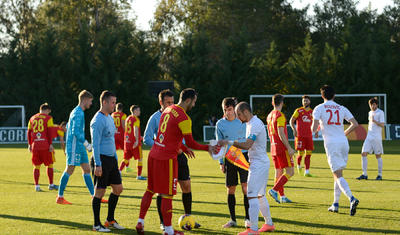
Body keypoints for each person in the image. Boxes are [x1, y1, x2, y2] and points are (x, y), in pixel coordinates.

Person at [136, 88, 215, 235]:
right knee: (167, 195)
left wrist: (183, 148)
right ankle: (168, 230)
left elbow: (167, 135)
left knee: (150, 189)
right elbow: (191, 142)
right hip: (167, 159)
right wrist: (207, 148)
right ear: (188, 100)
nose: (195, 105)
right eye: (194, 102)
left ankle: (140, 222)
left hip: (153, 155)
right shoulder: (184, 118)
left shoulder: (168, 110)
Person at [143, 89, 199, 231]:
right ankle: (163, 223)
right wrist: (163, 146)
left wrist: (184, 148)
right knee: (162, 191)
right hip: (164, 157)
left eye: (172, 102)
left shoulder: (178, 114)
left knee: (186, 186)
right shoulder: (155, 117)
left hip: (179, 157)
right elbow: (147, 138)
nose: (171, 104)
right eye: (167, 102)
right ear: (160, 102)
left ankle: (189, 218)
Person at [218, 101, 275, 235]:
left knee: (251, 196)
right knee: (260, 195)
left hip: (258, 164)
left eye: (238, 114)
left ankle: (253, 229)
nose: (237, 117)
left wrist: (230, 142)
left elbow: (248, 144)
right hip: (260, 162)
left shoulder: (254, 124)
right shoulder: (250, 123)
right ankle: (269, 224)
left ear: (245, 112)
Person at [312, 85, 359, 216]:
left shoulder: (319, 108)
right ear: (334, 95)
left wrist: (316, 131)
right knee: (338, 174)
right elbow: (355, 124)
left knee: (337, 175)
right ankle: (335, 204)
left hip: (332, 143)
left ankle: (352, 198)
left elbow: (314, 127)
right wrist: (344, 133)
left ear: (322, 96)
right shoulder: (341, 108)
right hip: (343, 142)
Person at [91, 90, 125, 232]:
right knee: (100, 192)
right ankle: (96, 224)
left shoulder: (110, 118)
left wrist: (116, 160)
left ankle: (110, 220)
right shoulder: (97, 120)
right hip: (101, 160)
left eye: (115, 102)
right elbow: (95, 144)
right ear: (104, 102)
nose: (114, 105)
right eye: (112, 102)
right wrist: (98, 164)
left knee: (118, 189)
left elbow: (111, 140)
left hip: (112, 160)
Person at [56, 90, 98, 205]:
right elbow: (75, 131)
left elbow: (71, 128)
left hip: (79, 146)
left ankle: (94, 196)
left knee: (87, 170)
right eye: (90, 101)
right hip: (75, 146)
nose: (91, 103)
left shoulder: (78, 112)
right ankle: (60, 197)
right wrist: (86, 144)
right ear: (84, 99)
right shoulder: (77, 113)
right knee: (70, 169)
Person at [215, 97, 250, 228]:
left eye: (230, 109)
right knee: (231, 189)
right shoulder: (220, 124)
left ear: (234, 109)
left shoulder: (243, 120)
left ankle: (248, 219)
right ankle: (233, 220)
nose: (228, 112)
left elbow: (250, 139)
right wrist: (221, 162)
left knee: (245, 188)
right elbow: (219, 144)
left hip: (244, 157)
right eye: (225, 110)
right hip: (230, 159)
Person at [266, 94, 296, 203]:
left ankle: (282, 197)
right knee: (290, 172)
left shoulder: (269, 116)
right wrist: (289, 148)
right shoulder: (280, 115)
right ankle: (274, 190)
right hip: (281, 148)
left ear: (273, 103)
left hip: (273, 148)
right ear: (282, 103)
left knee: (278, 172)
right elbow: (281, 133)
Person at [27, 103, 57, 192]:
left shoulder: (32, 118)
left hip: (35, 146)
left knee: (36, 166)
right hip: (45, 146)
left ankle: (37, 186)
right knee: (50, 164)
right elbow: (50, 132)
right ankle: (51, 184)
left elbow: (29, 132)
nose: (48, 113)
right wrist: (50, 144)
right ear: (47, 110)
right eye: (49, 111)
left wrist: (29, 144)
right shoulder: (49, 118)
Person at [356, 97, 385, 180]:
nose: (372, 106)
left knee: (378, 156)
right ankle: (364, 174)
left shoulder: (380, 112)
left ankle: (380, 175)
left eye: (374, 105)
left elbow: (382, 125)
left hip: (377, 138)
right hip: (369, 137)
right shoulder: (369, 112)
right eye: (371, 105)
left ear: (377, 105)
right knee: (363, 153)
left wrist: (375, 121)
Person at [289, 95, 316, 177]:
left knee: (308, 154)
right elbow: (291, 121)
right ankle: (298, 166)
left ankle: (307, 172)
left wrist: (317, 130)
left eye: (306, 100)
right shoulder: (299, 111)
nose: (305, 102)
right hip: (300, 136)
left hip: (309, 136)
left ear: (309, 101)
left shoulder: (313, 112)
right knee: (300, 154)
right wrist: (294, 129)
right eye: (304, 101)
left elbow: (316, 122)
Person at [120, 105, 146, 179]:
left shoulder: (128, 118)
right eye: (138, 110)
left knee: (126, 158)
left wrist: (139, 137)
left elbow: (128, 130)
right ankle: (139, 175)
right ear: (135, 111)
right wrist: (137, 140)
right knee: (140, 158)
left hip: (127, 142)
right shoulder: (136, 119)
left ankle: (119, 171)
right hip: (134, 142)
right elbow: (135, 130)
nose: (139, 112)